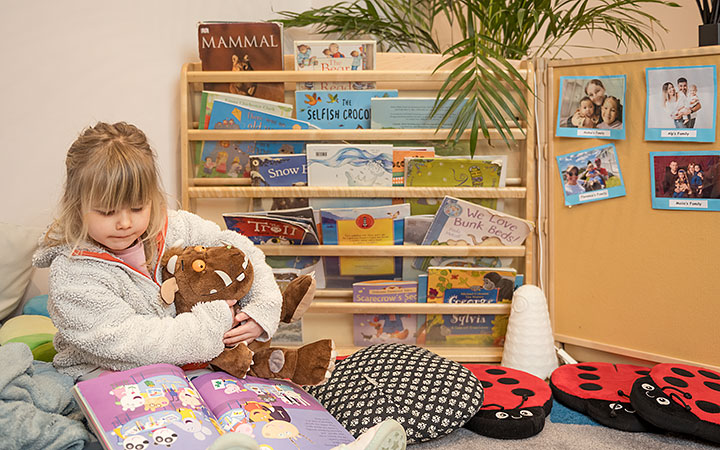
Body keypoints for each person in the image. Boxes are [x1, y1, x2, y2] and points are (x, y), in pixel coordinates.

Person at [33, 122, 407, 450]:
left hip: (201, 363)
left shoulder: (175, 226)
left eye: (137, 207)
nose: (125, 223)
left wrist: (263, 308)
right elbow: (126, 341)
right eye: (106, 211)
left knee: (253, 406)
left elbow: (241, 250)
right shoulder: (73, 273)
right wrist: (212, 324)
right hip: (114, 375)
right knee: (167, 425)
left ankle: (333, 444)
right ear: (77, 206)